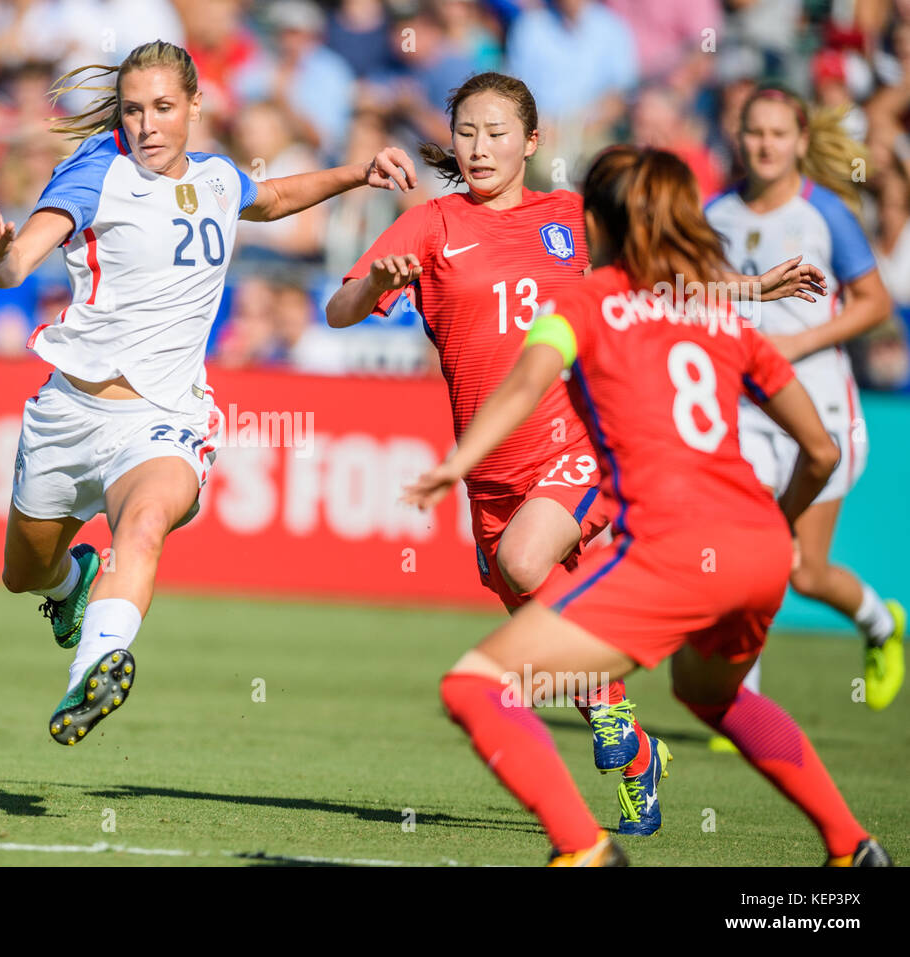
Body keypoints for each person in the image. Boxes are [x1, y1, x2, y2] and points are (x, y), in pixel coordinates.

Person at [326, 71, 819, 834]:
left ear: (532, 142)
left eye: (496, 132)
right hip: (490, 466)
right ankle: (632, 748)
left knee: (527, 562)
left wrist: (750, 290)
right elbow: (339, 308)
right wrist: (373, 287)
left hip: (575, 441)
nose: (479, 146)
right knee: (526, 592)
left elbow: (653, 286)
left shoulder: (570, 217)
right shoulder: (429, 225)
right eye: (466, 132)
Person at [404, 146, 892, 868]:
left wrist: (457, 461)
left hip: (672, 549)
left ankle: (584, 849)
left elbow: (522, 383)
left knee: (473, 684)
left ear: (597, 224)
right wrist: (778, 529)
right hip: (759, 548)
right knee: (714, 696)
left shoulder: (584, 300)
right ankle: (852, 846)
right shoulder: (716, 316)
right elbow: (819, 452)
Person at [0, 40, 416, 746]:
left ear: (196, 107)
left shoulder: (218, 178)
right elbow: (18, 260)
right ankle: (67, 589)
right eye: (134, 109)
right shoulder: (97, 172)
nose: (147, 125)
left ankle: (93, 669)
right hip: (67, 415)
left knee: (142, 528)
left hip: (164, 417)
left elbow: (274, 199)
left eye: (164, 108)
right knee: (23, 574)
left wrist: (359, 171)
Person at [706, 86, 904, 722]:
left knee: (805, 573)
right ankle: (745, 703)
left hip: (818, 410)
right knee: (747, 555)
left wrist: (800, 341)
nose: (765, 145)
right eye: (754, 132)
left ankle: (883, 625)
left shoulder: (827, 216)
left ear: (799, 141)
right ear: (739, 138)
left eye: (777, 133)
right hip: (747, 413)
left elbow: (874, 304)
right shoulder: (715, 214)